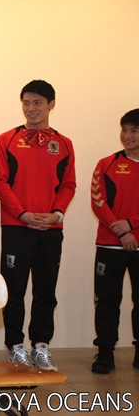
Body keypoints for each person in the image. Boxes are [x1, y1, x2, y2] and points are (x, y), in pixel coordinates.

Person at [0, 80, 76, 371]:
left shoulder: (64, 143)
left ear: (51, 105)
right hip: (17, 227)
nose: (31, 108)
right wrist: (22, 214)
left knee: (45, 291)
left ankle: (41, 346)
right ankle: (15, 347)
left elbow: (68, 185)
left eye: (37, 102)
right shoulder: (7, 139)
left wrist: (56, 214)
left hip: (51, 229)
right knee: (13, 290)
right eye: (26, 102)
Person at [90, 108, 139, 374]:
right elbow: (98, 201)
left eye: (134, 130)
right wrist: (121, 231)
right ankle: (105, 354)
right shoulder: (106, 163)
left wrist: (131, 224)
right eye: (124, 129)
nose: (127, 135)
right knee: (107, 302)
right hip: (110, 245)